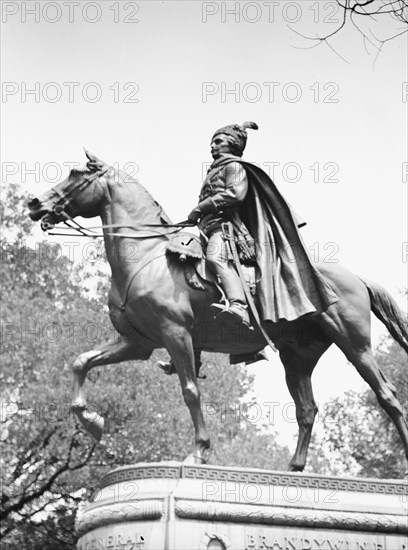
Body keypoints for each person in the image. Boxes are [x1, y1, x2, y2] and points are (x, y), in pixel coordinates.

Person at [187, 122, 338, 326]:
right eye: (212, 142)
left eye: (218, 141)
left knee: (216, 258)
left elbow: (235, 194)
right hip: (207, 228)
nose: (212, 146)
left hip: (226, 228)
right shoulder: (214, 171)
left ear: (232, 144)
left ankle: (238, 305)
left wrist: (200, 208)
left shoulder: (233, 166)